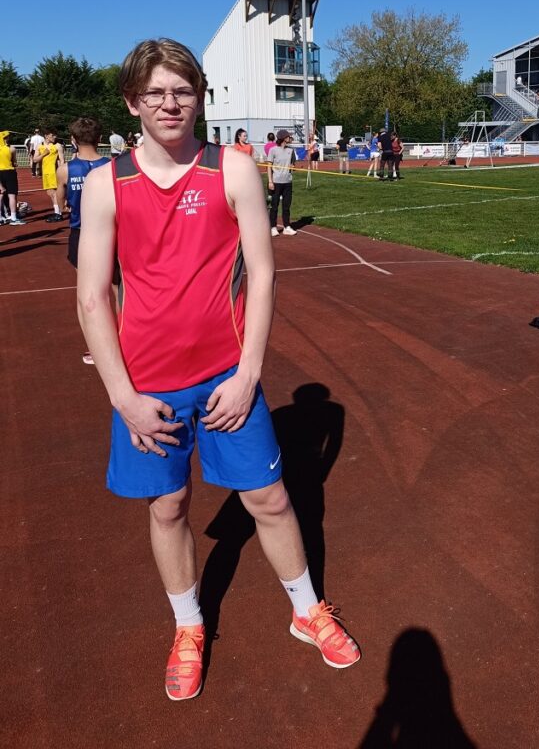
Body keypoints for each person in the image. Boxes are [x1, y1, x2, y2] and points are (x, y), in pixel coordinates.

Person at [76, 39, 359, 703]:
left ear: (199, 97)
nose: (169, 103)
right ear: (132, 102)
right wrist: (123, 398)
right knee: (169, 506)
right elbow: (92, 297)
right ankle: (189, 625)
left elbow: (262, 273)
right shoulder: (105, 184)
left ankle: (306, 610)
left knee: (271, 499)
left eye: (182, 90)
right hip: (148, 386)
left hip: (227, 377)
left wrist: (248, 373)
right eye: (155, 93)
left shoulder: (232, 168)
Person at [56, 117, 111, 363]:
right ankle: (124, 340)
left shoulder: (65, 170)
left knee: (88, 293)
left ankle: (95, 347)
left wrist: (67, 205)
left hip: (81, 232)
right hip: (112, 231)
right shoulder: (112, 165)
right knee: (119, 289)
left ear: (72, 140)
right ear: (100, 139)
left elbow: (60, 201)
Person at [267, 129, 297, 236]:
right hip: (276, 182)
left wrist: (293, 167)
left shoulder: (291, 151)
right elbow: (269, 167)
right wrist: (270, 181)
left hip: (287, 181)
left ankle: (287, 227)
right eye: (288, 136)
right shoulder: (273, 150)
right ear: (283, 138)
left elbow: (293, 165)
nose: (290, 138)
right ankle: (273, 227)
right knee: (274, 206)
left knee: (286, 206)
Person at [34, 129, 65, 221]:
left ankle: (58, 213)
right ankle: (58, 211)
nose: (55, 137)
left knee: (54, 192)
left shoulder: (58, 146)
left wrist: (61, 172)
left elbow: (62, 160)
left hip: (54, 172)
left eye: (55, 135)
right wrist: (43, 154)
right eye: (53, 135)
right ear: (46, 136)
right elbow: (35, 160)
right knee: (50, 193)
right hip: (45, 172)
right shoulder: (40, 146)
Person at [0, 132, 25, 225]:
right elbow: (15, 162)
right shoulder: (12, 148)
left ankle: (0, 217)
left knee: (0, 195)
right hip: (9, 172)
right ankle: (13, 218)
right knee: (12, 195)